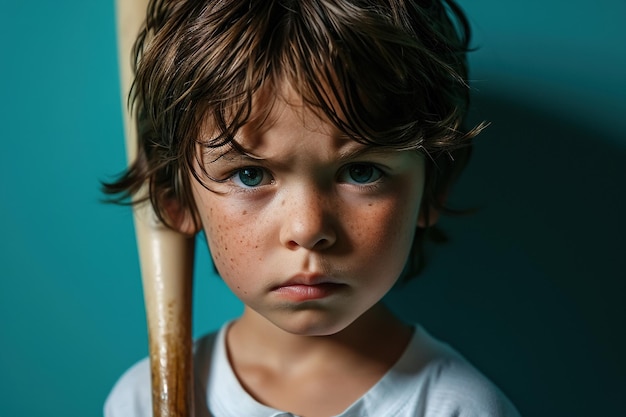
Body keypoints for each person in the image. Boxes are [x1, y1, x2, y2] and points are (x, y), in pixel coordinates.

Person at [104, 0, 520, 416]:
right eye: (249, 175)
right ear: (174, 199)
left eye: (360, 172)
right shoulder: (140, 401)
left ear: (432, 189)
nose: (307, 229)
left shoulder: (459, 408)